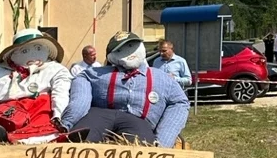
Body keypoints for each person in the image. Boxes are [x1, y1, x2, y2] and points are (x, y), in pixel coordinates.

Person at [62, 31, 190, 147]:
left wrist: (163, 141)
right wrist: (68, 121)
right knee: (80, 140)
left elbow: (180, 102)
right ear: (111, 56)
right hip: (100, 114)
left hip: (139, 121)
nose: (128, 53)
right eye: (120, 50)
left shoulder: (161, 78)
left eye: (131, 47)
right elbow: (80, 96)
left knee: (141, 148)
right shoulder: (96, 74)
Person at [0, 28, 72, 142]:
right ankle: (6, 137)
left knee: (44, 104)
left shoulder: (55, 70)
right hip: (5, 120)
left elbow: (61, 93)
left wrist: (57, 115)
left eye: (38, 48)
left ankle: (44, 138)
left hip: (40, 118)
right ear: (14, 53)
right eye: (25, 51)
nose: (33, 55)